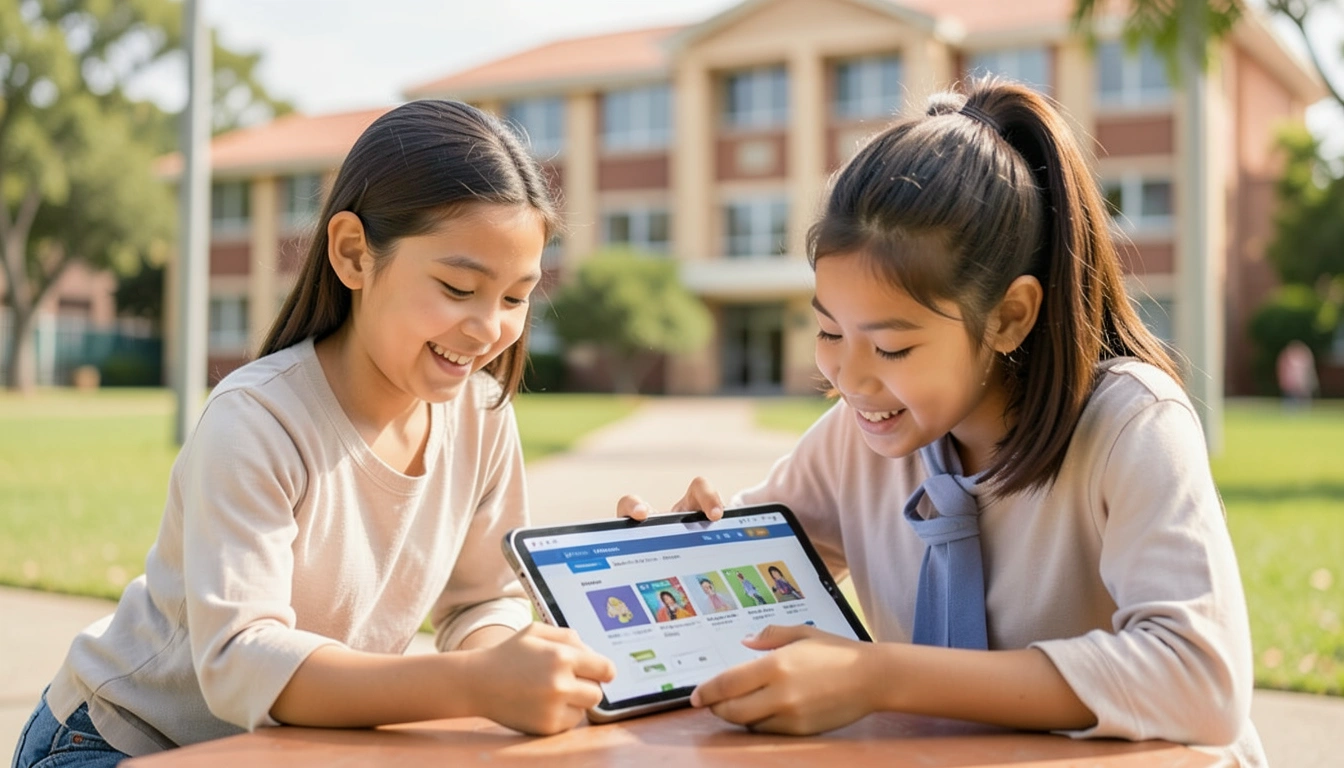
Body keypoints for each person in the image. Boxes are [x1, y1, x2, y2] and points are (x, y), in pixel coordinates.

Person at [619, 80, 1262, 765]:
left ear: (1010, 317)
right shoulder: (856, 439)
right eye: (829, 331)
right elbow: (751, 581)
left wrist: (883, 676)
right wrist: (676, 547)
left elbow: (1201, 680)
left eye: (892, 347)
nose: (851, 379)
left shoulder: (1132, 425)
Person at [14, 100, 615, 768]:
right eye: (456, 286)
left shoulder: (483, 415)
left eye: (514, 297)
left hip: (288, 750)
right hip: (120, 742)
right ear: (354, 254)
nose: (488, 329)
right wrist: (473, 684)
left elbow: (480, 602)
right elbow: (242, 660)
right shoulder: (257, 419)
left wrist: (512, 665)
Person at [1276, 339, 1317, 409]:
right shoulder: (1289, 359)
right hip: (1291, 385)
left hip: (1300, 385)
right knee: (1290, 400)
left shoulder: (1300, 360)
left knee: (1302, 400)